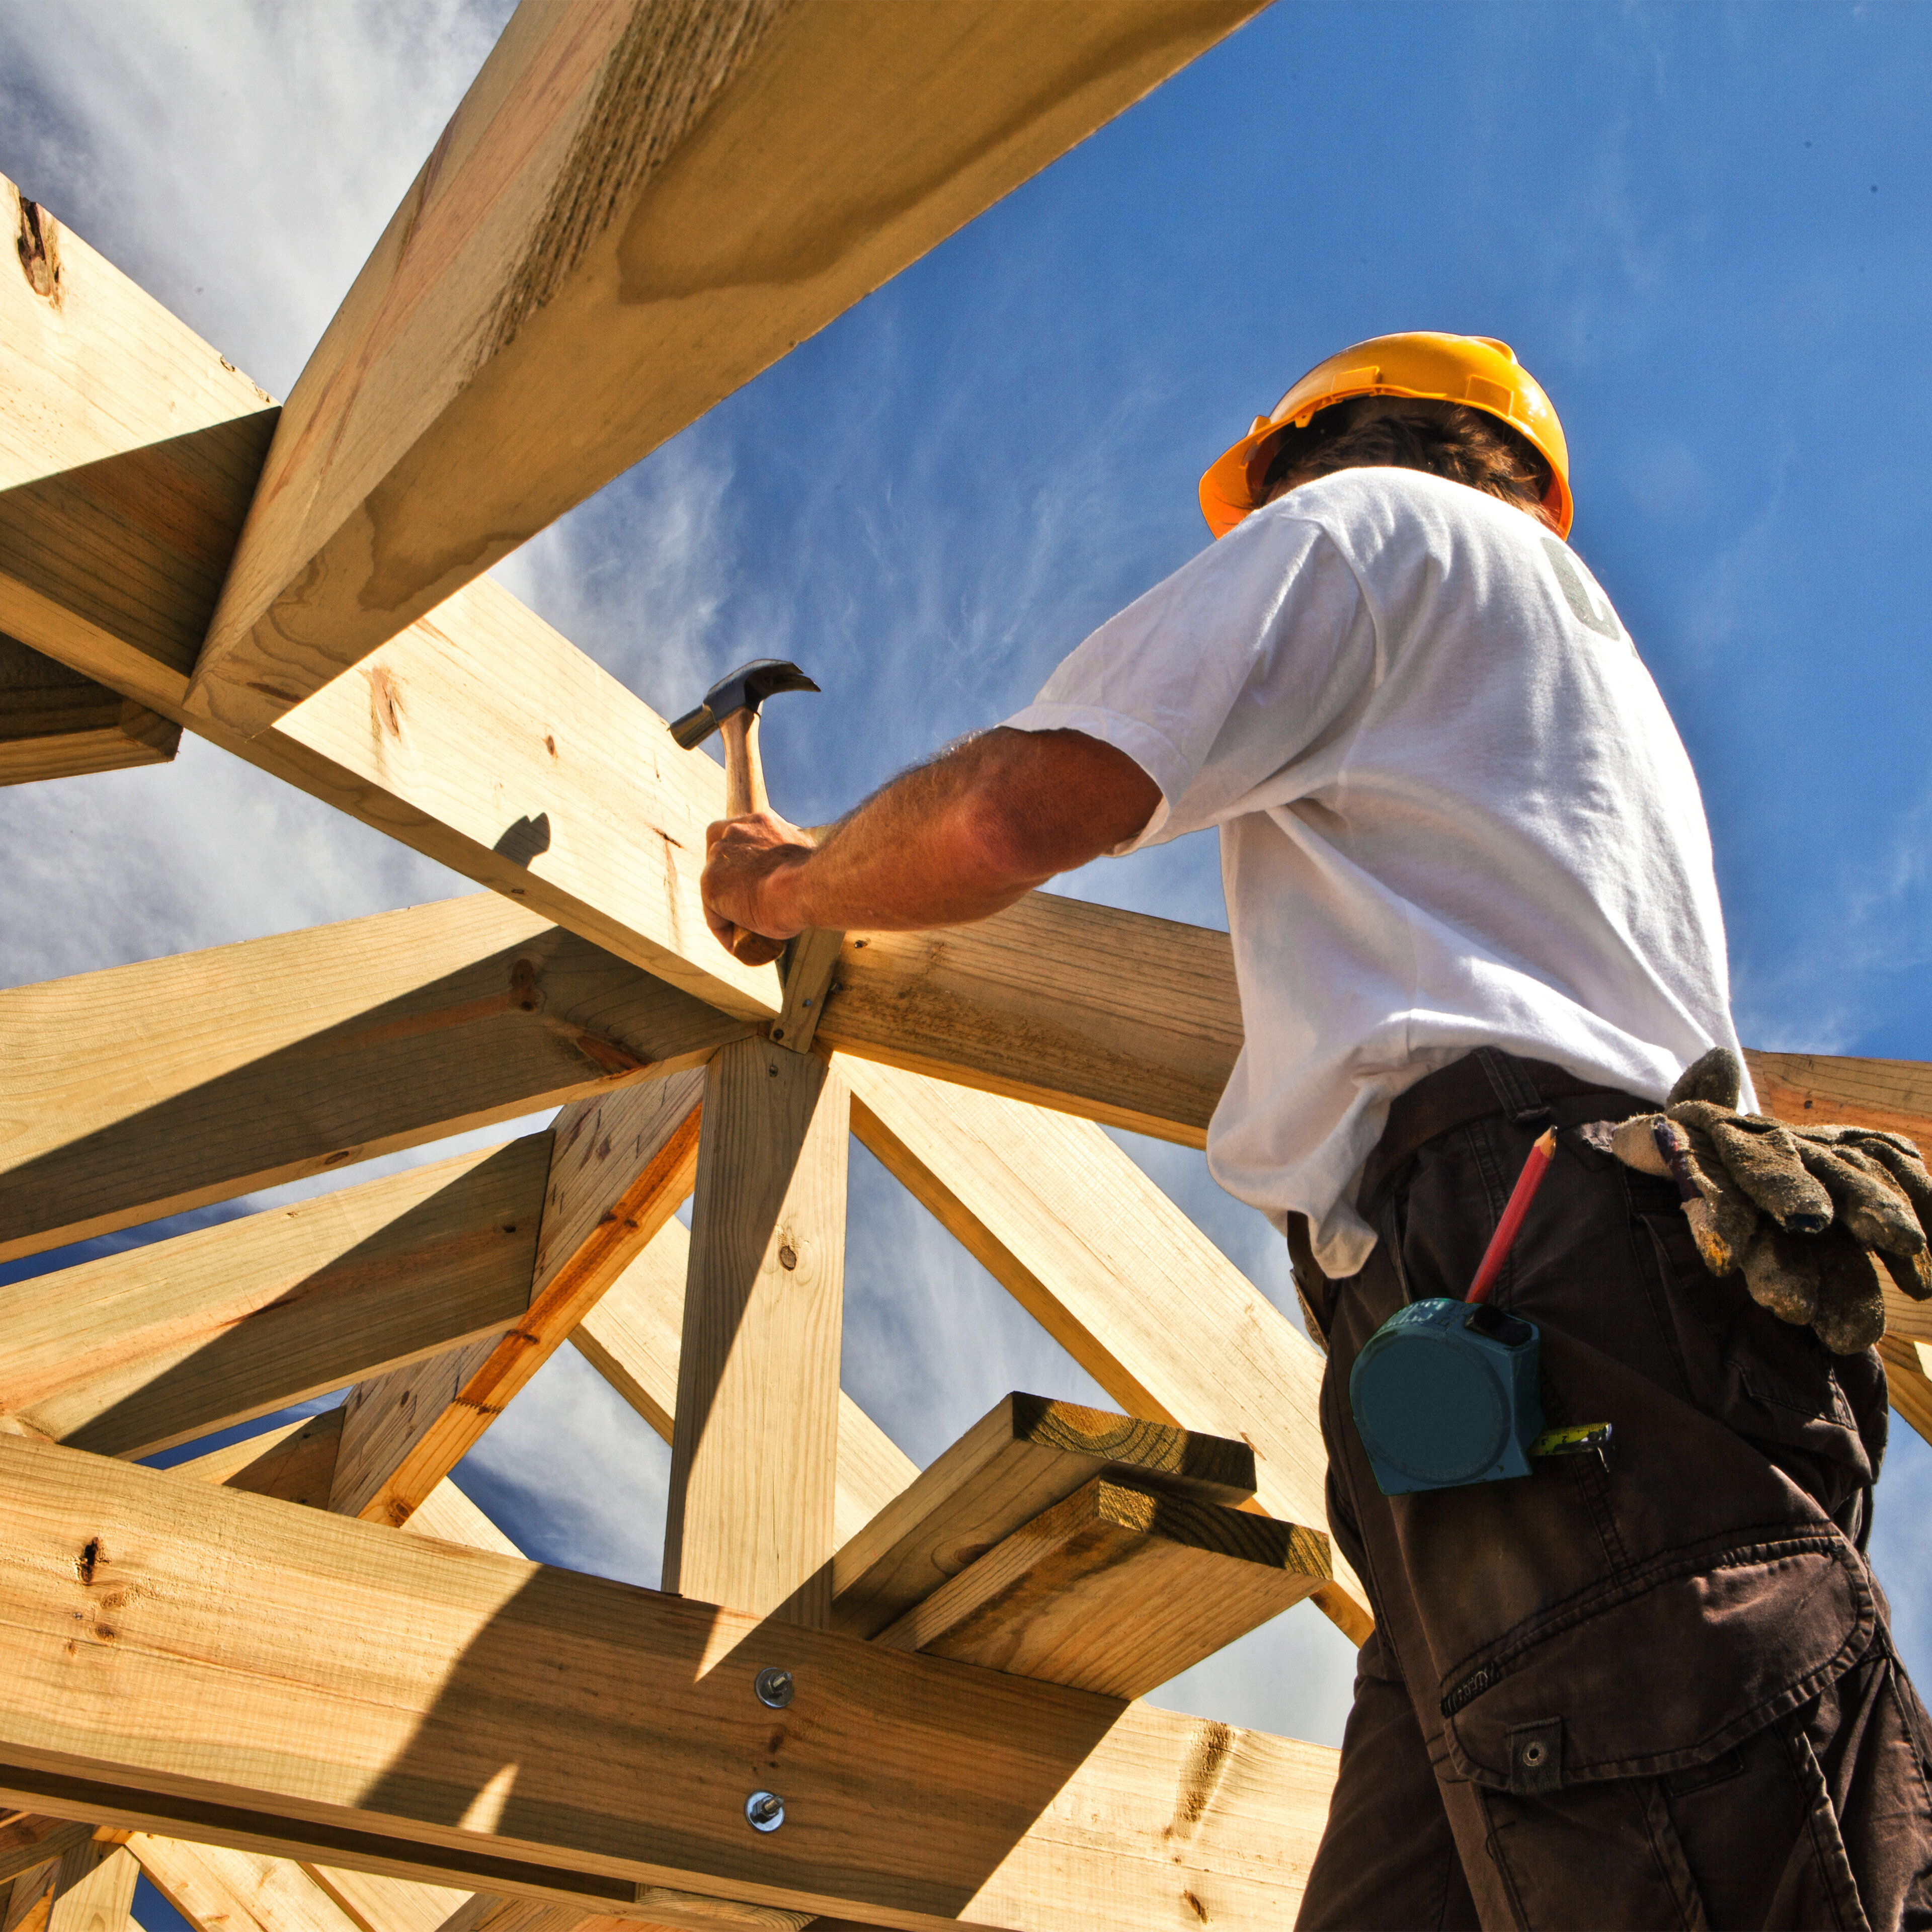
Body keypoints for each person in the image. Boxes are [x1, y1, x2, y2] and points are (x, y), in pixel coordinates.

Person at [699, 333, 1932, 1929]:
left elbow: (1012, 809)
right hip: (1562, 1342)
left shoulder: (1371, 533)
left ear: (1313, 457)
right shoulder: (1564, 680)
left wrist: (783, 884)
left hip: (1544, 1297)